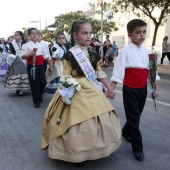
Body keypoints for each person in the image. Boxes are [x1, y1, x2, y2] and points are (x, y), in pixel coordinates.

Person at [41, 20, 121, 163]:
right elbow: (66, 75)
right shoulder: (70, 54)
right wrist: (67, 92)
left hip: (93, 87)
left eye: (90, 33)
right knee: (75, 120)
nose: (88, 36)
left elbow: (99, 73)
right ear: (75, 35)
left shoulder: (93, 53)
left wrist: (109, 89)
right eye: (84, 33)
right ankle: (76, 153)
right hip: (76, 87)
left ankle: (95, 149)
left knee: (100, 115)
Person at [108, 19, 160, 161]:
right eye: (138, 32)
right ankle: (138, 148)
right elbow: (118, 72)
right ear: (130, 35)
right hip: (130, 89)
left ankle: (125, 131)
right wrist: (111, 89)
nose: (142, 35)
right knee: (134, 119)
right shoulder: (124, 52)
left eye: (144, 32)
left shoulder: (148, 52)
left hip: (142, 90)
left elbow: (153, 73)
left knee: (135, 116)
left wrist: (155, 89)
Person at [21, 28, 52, 108]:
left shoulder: (41, 45)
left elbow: (46, 56)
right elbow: (23, 56)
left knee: (43, 83)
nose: (35, 35)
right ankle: (36, 101)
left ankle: (39, 95)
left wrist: (50, 65)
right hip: (32, 67)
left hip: (41, 66)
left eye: (36, 33)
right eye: (32, 33)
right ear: (29, 36)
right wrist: (29, 54)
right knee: (35, 84)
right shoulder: (26, 45)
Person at [4, 31, 29, 96]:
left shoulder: (24, 43)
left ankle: (21, 89)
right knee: (16, 74)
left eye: (17, 35)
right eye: (15, 35)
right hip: (15, 61)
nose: (15, 36)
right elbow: (11, 52)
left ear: (21, 36)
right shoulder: (12, 44)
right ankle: (17, 88)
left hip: (23, 61)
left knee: (22, 74)